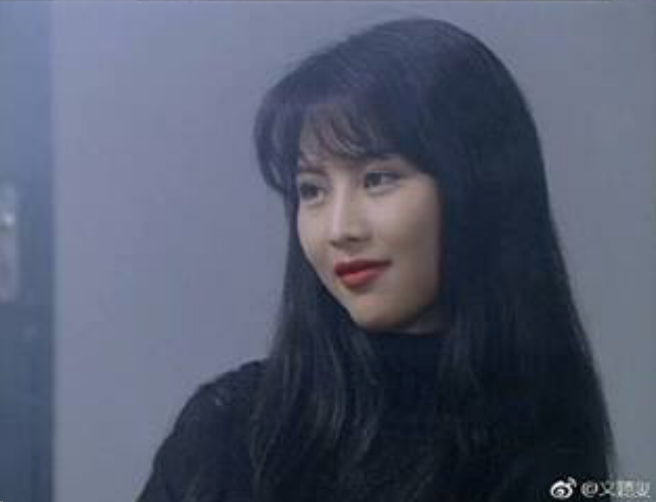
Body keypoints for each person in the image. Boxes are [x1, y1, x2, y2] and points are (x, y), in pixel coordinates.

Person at [136, 18, 615, 502]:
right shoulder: (227, 433)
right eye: (312, 189)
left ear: (477, 188)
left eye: (378, 178)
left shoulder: (551, 458)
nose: (340, 228)